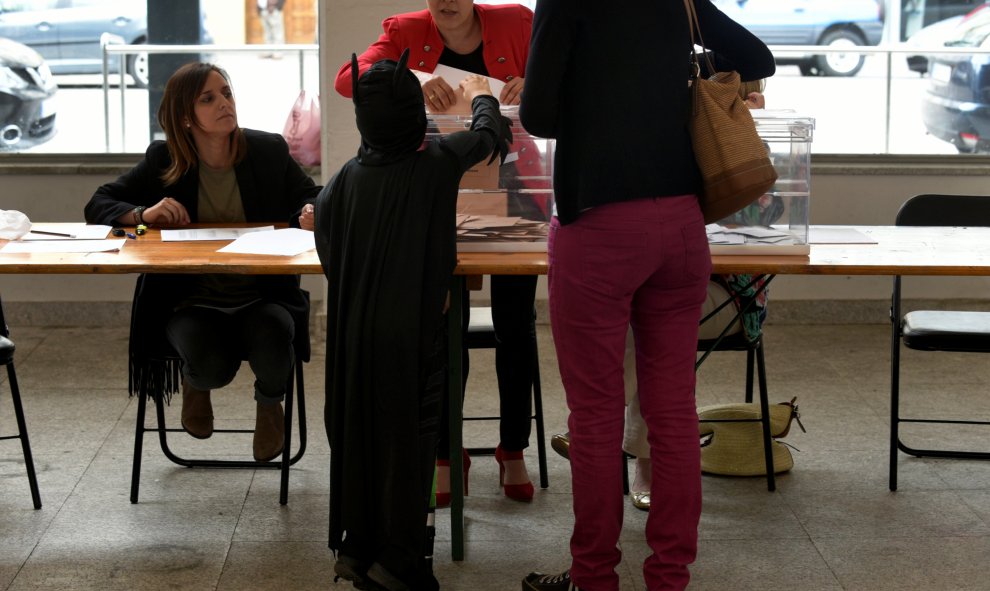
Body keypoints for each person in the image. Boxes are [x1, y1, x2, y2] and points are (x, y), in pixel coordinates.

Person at [518, 0, 776, 589]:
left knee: (596, 415)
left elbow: (537, 114)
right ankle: (669, 576)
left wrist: (598, 96)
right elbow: (758, 58)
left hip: (599, 224)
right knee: (672, 412)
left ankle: (594, 576)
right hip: (681, 227)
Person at [315, 50, 511, 591]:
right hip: (413, 338)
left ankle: (358, 547)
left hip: (352, 343)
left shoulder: (340, 184)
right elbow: (490, 134)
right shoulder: (438, 161)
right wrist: (480, 94)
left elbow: (332, 259)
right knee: (407, 442)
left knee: (358, 437)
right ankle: (399, 560)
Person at [333, 0, 539, 505]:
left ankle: (512, 448)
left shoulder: (516, 20)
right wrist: (414, 81)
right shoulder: (407, 31)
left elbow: (569, 75)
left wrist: (534, 87)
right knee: (446, 327)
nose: (445, 0)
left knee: (516, 325)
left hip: (518, 188)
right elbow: (348, 79)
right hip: (439, 194)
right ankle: (447, 453)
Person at [551, 80, 775, 513]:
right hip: (679, 271)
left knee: (640, 327)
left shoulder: (738, 137)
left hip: (733, 296)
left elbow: (762, 215)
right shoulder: (661, 129)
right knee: (641, 318)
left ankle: (605, 436)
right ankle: (631, 450)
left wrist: (742, 127)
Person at [84, 62, 320, 463]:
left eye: (226, 93)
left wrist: (313, 210)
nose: (224, 104)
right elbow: (99, 203)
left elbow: (310, 195)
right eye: (208, 98)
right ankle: (197, 384)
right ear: (185, 117)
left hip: (263, 295)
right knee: (212, 366)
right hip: (189, 299)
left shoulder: (266, 150)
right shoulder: (164, 159)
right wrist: (144, 214)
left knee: (275, 343)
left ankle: (269, 407)